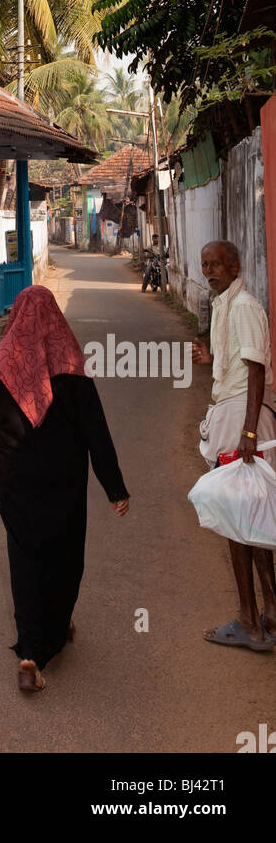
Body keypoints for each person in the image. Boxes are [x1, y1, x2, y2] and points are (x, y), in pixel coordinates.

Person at [0, 284, 130, 692]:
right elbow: (95, 430)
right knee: (64, 557)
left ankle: (30, 655)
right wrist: (115, 488)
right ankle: (58, 627)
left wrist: (13, 455)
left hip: (15, 479)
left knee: (25, 558)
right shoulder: (69, 362)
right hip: (63, 482)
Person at [191, 240, 276, 651]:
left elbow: (257, 371)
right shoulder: (225, 302)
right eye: (205, 265)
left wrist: (247, 434)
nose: (210, 271)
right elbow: (240, 365)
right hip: (236, 413)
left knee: (236, 518)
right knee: (250, 517)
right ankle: (270, 612)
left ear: (235, 265)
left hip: (244, 419)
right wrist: (212, 360)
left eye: (217, 264)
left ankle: (249, 621)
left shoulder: (243, 307)